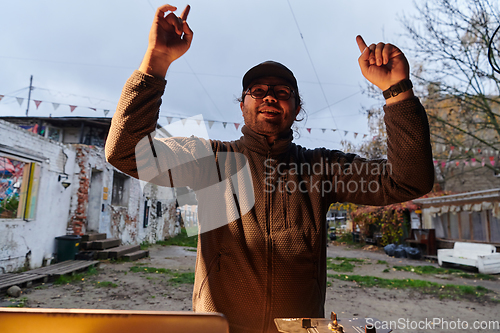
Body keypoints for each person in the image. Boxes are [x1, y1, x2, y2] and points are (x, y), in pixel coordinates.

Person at [105, 4, 434, 333]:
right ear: (242, 105)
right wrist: (157, 59)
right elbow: (125, 152)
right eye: (258, 91)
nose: (270, 97)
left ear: (297, 107)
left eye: (282, 92)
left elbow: (407, 181)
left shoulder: (322, 169)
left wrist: (397, 92)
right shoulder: (209, 160)